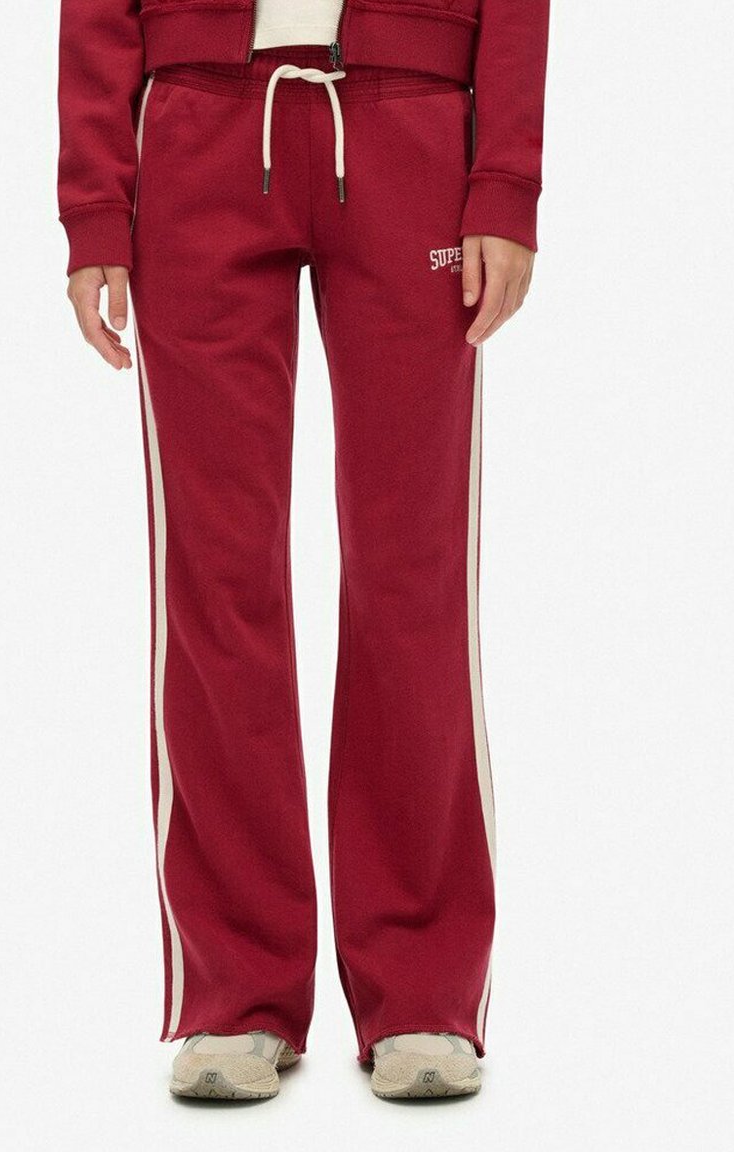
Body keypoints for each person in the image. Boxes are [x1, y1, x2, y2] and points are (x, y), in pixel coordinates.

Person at [57, 0, 549, 1101]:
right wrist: (94, 200)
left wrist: (505, 181)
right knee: (214, 578)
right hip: (196, 125)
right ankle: (236, 990)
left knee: (410, 568)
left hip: (413, 125)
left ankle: (419, 989)